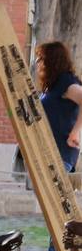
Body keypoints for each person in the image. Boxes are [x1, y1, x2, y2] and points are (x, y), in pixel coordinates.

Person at [37, 40, 82, 170]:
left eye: (41, 59)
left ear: (52, 61)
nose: (38, 63)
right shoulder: (53, 85)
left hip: (61, 154)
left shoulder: (65, 81)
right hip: (48, 154)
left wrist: (75, 132)